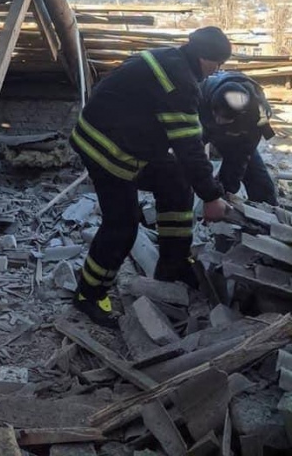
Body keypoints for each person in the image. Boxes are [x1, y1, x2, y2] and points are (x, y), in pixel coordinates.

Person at [69, 27, 232, 328]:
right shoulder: (179, 82)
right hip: (105, 148)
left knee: (176, 180)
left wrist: (208, 186)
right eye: (217, 63)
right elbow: (188, 147)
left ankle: (173, 265)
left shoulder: (170, 58)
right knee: (122, 225)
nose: (217, 70)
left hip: (120, 136)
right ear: (203, 57)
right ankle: (88, 294)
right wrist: (211, 196)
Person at [200, 71, 277, 205]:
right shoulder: (201, 92)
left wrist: (228, 186)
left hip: (239, 139)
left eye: (225, 118)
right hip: (204, 124)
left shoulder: (257, 112)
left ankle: (267, 209)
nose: (219, 121)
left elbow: (245, 151)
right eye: (217, 115)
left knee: (257, 178)